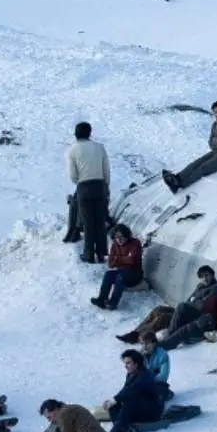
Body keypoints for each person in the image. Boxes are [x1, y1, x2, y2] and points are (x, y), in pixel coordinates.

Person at [162, 100, 217, 193]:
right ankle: (178, 177)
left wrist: (216, 142)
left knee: (204, 167)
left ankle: (181, 184)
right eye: (215, 112)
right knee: (197, 163)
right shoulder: (215, 124)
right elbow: (211, 143)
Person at [66, 121, 111, 263]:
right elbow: (106, 170)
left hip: (84, 188)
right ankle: (102, 253)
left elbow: (73, 176)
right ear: (90, 133)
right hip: (100, 186)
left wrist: (80, 182)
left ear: (76, 134)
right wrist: (105, 186)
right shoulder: (99, 147)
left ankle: (89, 254)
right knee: (100, 219)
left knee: (88, 221)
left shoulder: (72, 151)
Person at [158, 272, 217, 350]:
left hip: (209, 321)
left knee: (184, 330)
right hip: (201, 313)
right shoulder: (216, 289)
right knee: (181, 307)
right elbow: (201, 294)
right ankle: (170, 336)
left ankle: (162, 347)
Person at [104, 350, 165, 432]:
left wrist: (115, 399)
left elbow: (132, 389)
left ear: (136, 364)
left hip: (152, 411)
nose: (125, 366)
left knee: (129, 404)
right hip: (139, 408)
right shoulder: (130, 374)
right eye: (125, 363)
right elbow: (125, 390)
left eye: (128, 363)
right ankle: (123, 427)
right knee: (114, 405)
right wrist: (113, 401)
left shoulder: (145, 375)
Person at [91, 224, 143, 310]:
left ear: (126, 235)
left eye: (121, 236)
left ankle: (113, 303)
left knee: (120, 277)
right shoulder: (115, 245)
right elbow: (111, 263)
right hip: (122, 271)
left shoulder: (135, 243)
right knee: (108, 274)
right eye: (116, 237)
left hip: (135, 274)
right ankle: (102, 299)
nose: (119, 239)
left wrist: (118, 259)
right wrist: (125, 259)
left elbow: (132, 260)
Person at [140, 331, 173, 402]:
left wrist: (147, 381)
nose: (144, 346)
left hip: (158, 385)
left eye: (147, 343)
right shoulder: (139, 356)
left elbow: (163, 376)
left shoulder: (162, 354)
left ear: (154, 343)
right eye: (142, 343)